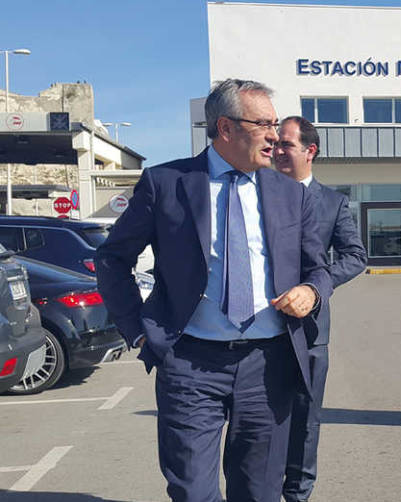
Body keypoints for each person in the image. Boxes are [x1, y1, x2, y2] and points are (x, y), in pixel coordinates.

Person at [95, 79, 332, 502]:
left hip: (268, 364)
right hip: (189, 363)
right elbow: (113, 259)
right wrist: (137, 330)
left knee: (258, 492)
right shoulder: (166, 183)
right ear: (225, 128)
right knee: (191, 490)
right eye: (264, 124)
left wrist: (311, 291)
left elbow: (318, 266)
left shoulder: (290, 193)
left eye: (276, 125)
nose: (276, 136)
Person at [274, 116, 368, 502]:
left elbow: (354, 255)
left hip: (309, 334)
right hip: (250, 333)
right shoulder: (255, 194)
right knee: (253, 425)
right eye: (275, 143)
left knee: (304, 424)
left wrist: (315, 288)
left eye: (286, 144)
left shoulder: (332, 202)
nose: (277, 150)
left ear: (310, 151)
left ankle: (297, 495)